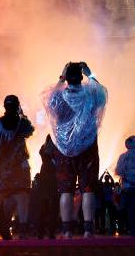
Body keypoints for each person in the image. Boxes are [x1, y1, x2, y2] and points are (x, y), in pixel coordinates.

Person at [42, 61, 107, 238]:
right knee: (88, 189)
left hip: (64, 151)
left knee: (66, 190)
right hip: (88, 149)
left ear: (67, 79)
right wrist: (90, 73)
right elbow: (102, 94)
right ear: (81, 77)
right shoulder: (91, 95)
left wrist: (62, 76)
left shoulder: (58, 97)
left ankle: (67, 230)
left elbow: (49, 99)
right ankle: (87, 230)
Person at [0, 95, 34, 240]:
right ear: (17, 106)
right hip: (19, 167)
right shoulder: (23, 123)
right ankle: (23, 231)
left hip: (2, 166)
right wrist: (22, 114)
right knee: (21, 197)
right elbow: (30, 131)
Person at [33, 135, 60, 239]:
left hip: (45, 184)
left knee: (44, 208)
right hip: (51, 184)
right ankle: (49, 232)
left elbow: (42, 151)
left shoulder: (44, 153)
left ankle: (42, 232)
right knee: (52, 208)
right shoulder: (52, 155)